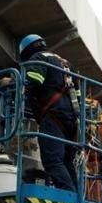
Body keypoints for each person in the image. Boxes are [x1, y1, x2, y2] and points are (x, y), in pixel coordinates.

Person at [18, 33, 79, 192]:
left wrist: (14, 82)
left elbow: (32, 81)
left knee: (53, 161)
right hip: (71, 123)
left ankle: (69, 196)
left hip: (53, 119)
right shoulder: (67, 64)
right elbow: (78, 96)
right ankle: (78, 199)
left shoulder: (38, 58)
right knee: (66, 162)